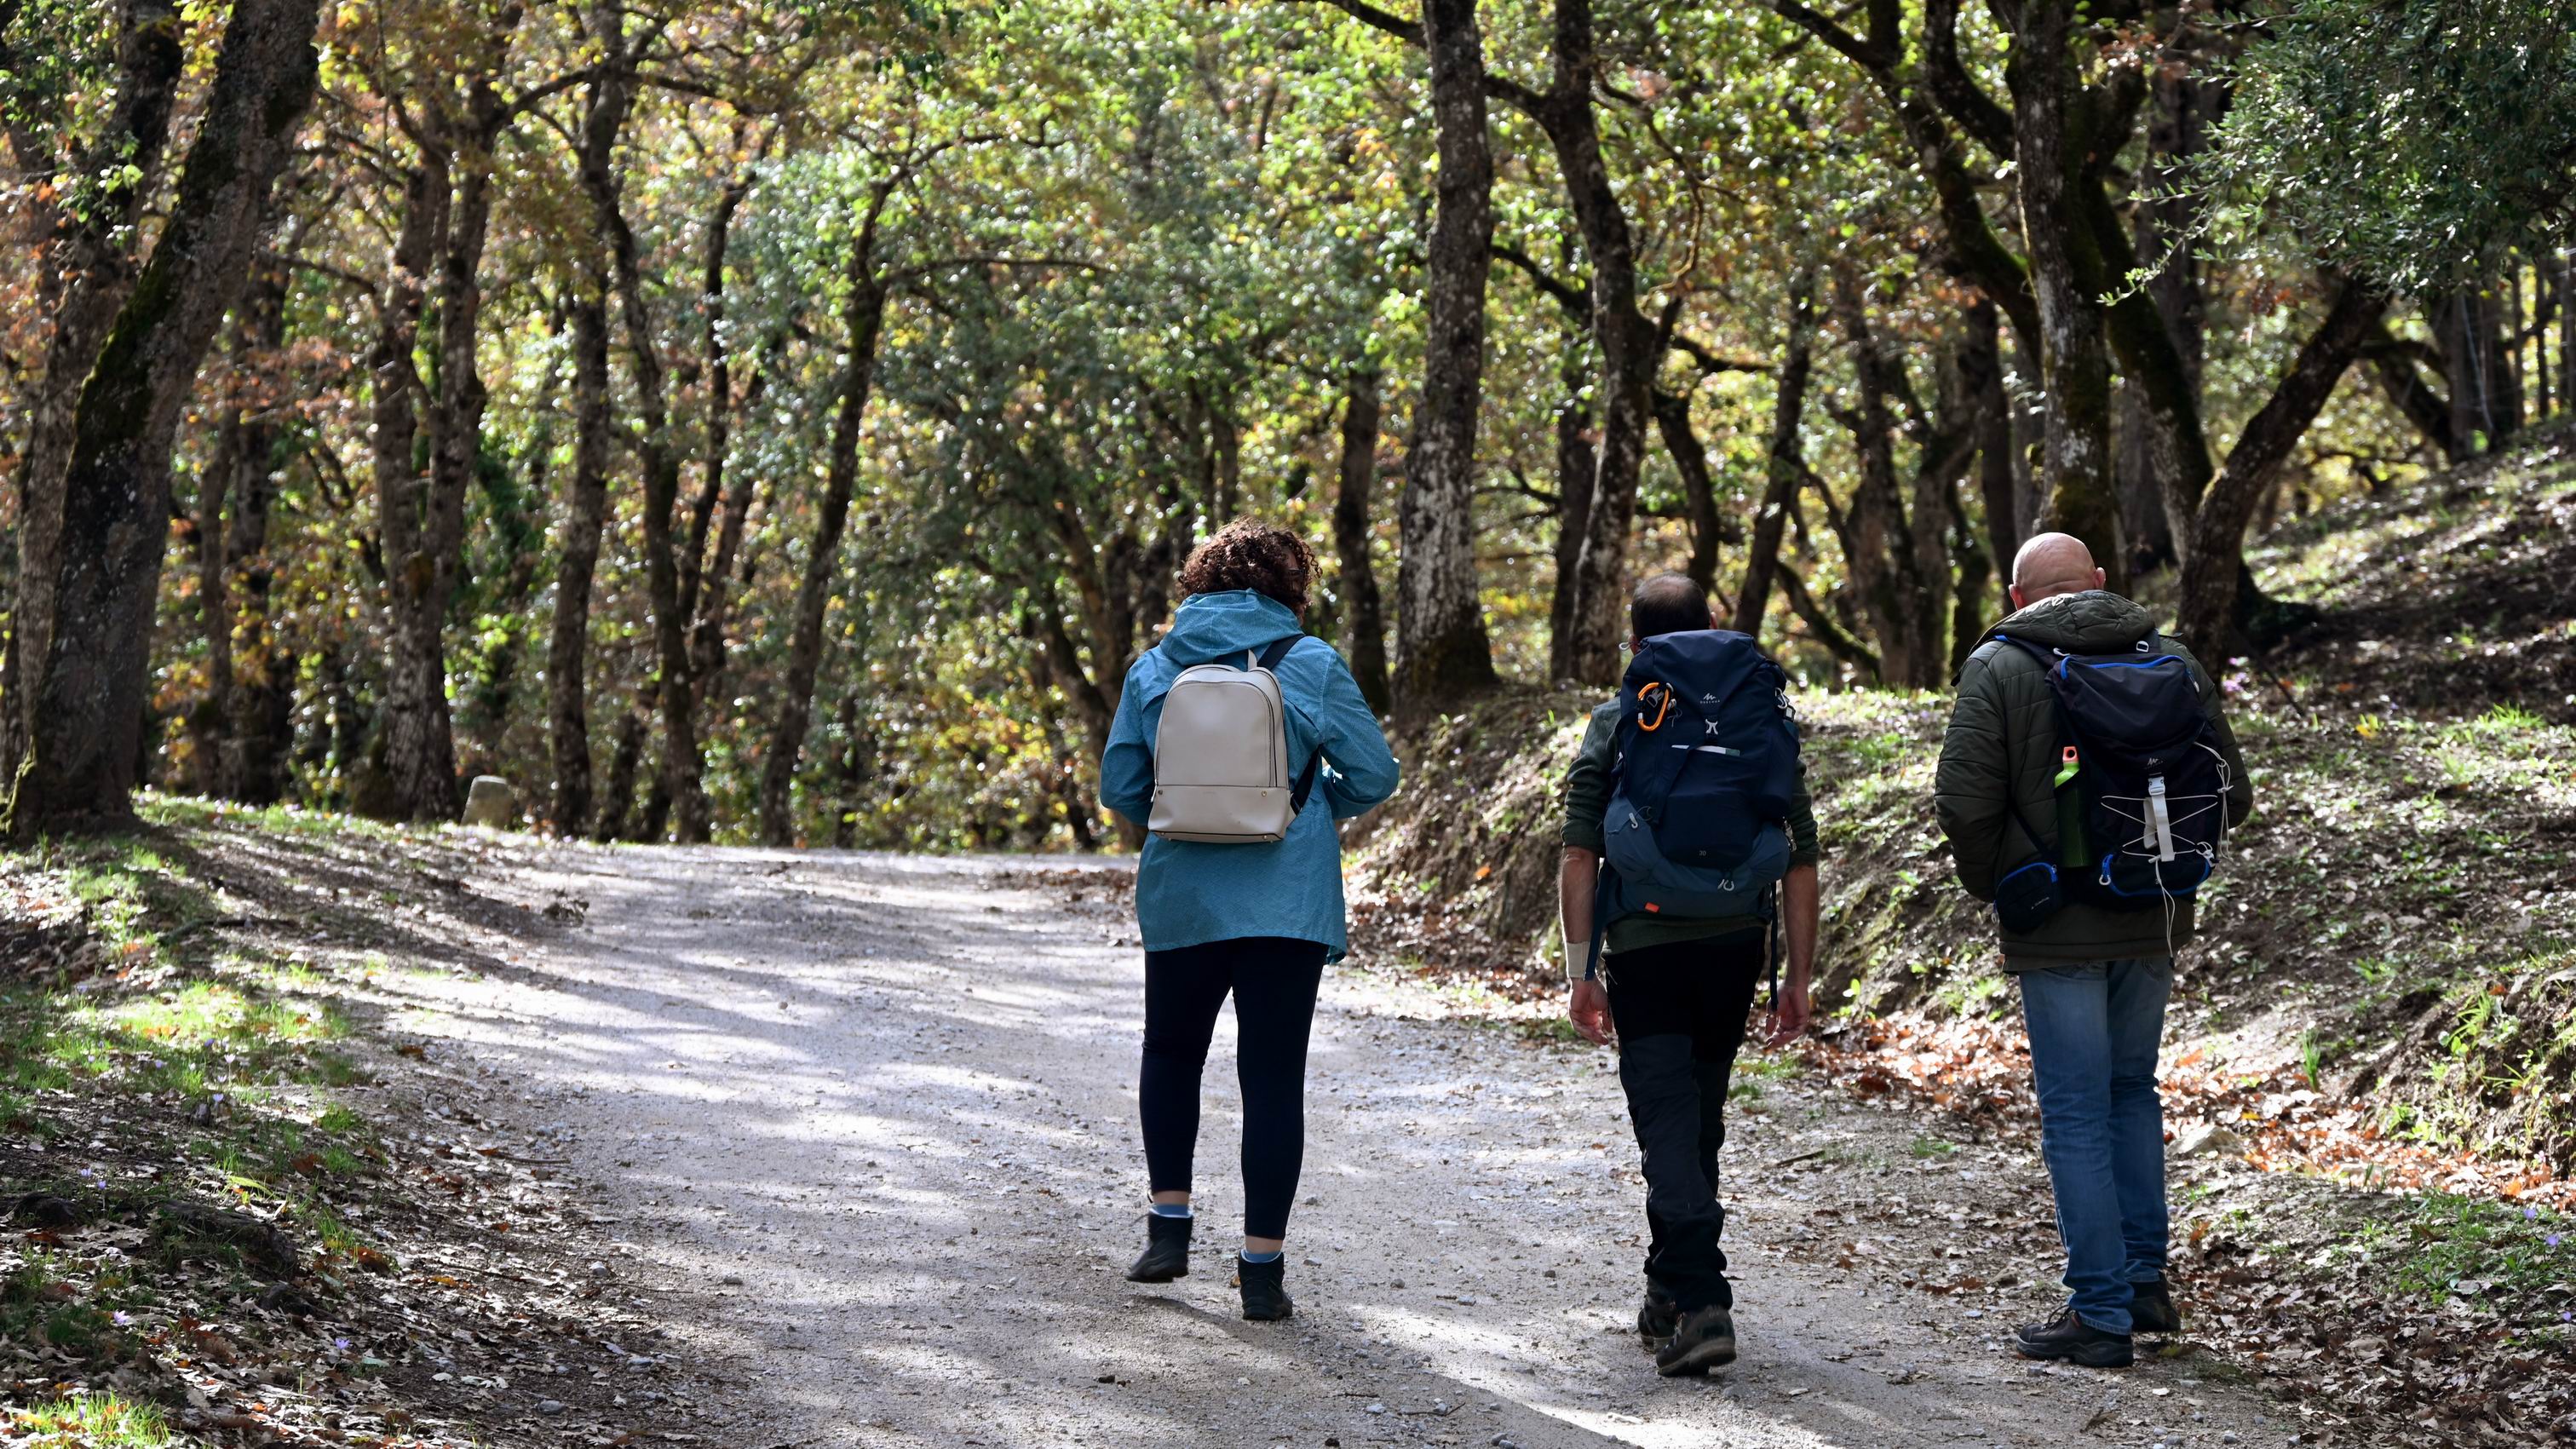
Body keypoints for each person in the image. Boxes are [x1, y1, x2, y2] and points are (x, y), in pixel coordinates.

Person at [1935, 532, 2253, 1369]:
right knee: (2129, 1092)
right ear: (2102, 582)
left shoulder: (2000, 667)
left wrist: (2012, 882)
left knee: (2075, 1109)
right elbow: (2235, 794)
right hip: (2152, 915)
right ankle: (2145, 1284)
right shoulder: (2173, 659)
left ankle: (2102, 1313)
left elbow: (1966, 805)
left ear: (2017, 597)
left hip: (2057, 928)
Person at [1097, 520, 1400, 1322]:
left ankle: (1168, 1230)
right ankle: (1261, 1272)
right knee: (1271, 1078)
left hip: (1183, 893)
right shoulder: (1311, 663)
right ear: (1289, 586)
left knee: (1171, 1050)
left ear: (1197, 584)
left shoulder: (1156, 667)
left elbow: (1121, 787)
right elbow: (1376, 773)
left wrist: (1188, 812)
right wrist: (1302, 802)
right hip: (1287, 898)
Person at [1559, 573, 1821, 1376]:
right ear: (1711, 624)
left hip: (1647, 944)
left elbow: (1579, 852)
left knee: (1667, 1120)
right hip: (1735, 941)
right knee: (1697, 1119)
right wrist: (1799, 978)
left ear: (1635, 641)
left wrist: (1580, 970)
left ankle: (1705, 1300)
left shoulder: (1619, 717)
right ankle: (1668, 1285)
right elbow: (1800, 854)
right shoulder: (1757, 711)